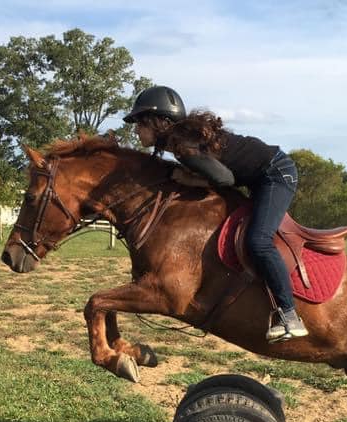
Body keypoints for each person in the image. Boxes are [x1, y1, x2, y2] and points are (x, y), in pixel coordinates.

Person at [123, 85, 307, 343]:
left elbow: (224, 178)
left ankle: (289, 315)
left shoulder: (183, 146)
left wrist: (189, 179)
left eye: (139, 122)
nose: (136, 129)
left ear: (160, 122)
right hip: (258, 178)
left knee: (259, 240)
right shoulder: (180, 143)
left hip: (276, 173)